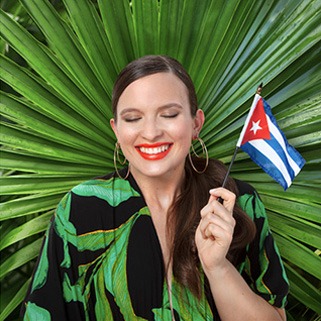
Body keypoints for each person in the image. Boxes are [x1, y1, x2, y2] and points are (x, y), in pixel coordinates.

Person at [22, 55, 289, 321]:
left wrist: (217, 268)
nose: (150, 133)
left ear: (196, 123)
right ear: (116, 129)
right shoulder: (81, 208)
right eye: (133, 118)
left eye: (169, 114)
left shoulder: (236, 202)